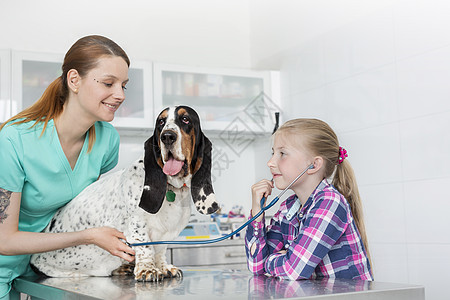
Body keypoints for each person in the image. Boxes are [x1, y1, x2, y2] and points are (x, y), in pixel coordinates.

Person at [0, 35, 135, 299]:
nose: (119, 95)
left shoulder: (106, 141)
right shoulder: (14, 140)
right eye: (108, 83)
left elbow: (83, 209)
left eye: (124, 86)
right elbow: (4, 240)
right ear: (74, 80)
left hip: (38, 271)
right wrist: (88, 236)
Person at [245, 118, 373, 280]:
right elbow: (257, 267)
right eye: (273, 153)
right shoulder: (287, 208)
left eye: (282, 153)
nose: (270, 162)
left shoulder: (330, 203)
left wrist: (270, 261)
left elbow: (293, 270)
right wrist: (257, 212)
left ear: (314, 165)